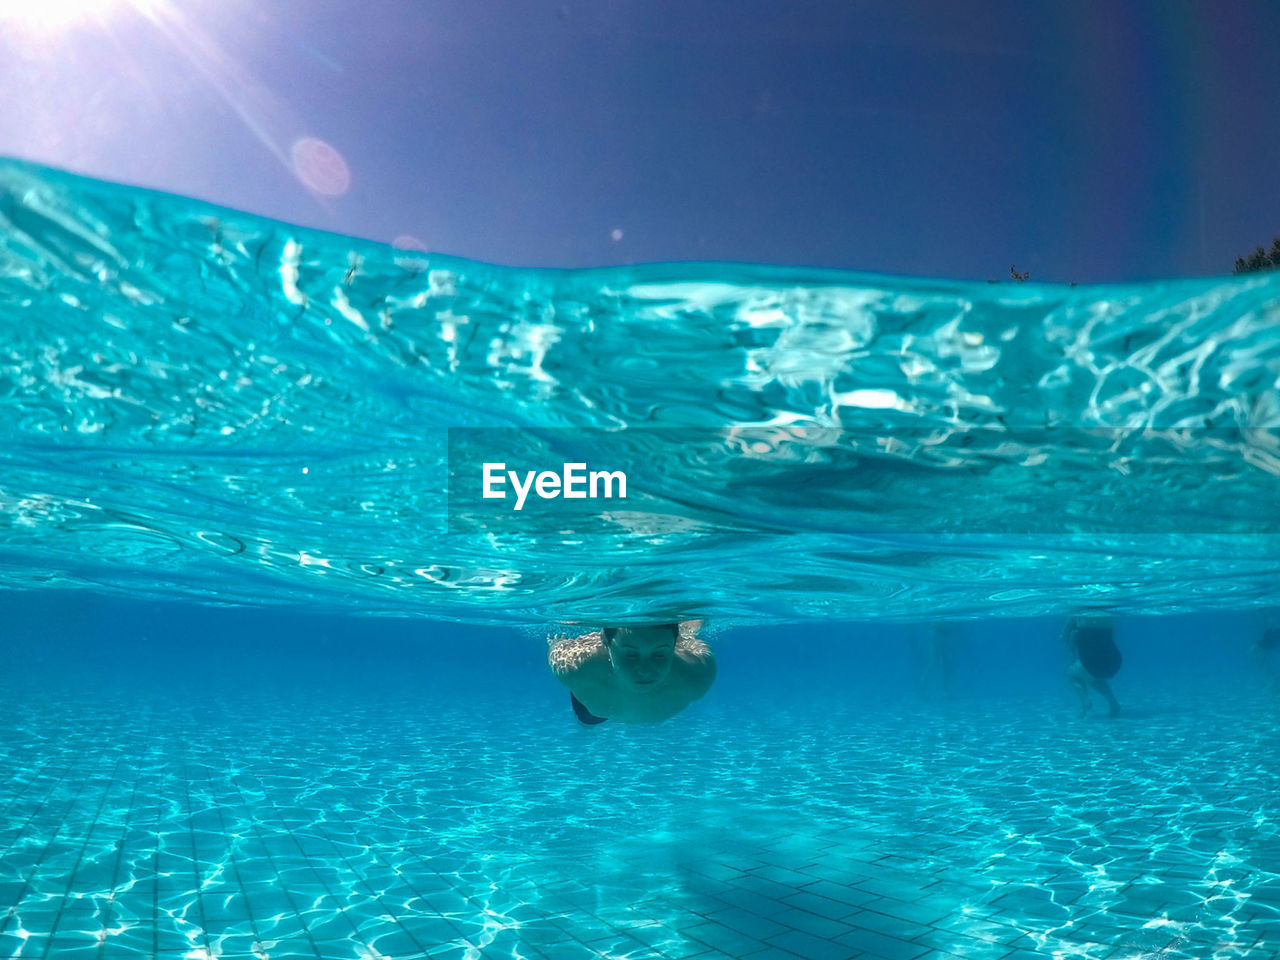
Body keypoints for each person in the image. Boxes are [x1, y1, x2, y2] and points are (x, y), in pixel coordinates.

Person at [547, 620, 715, 724]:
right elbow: (557, 649)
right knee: (587, 721)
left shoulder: (698, 674)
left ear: (674, 643)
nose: (644, 670)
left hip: (604, 698)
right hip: (595, 702)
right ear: (606, 643)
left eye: (659, 654)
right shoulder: (575, 669)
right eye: (630, 655)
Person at [1063, 614, 1122, 717]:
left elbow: (1063, 636)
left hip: (1092, 664)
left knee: (1073, 674)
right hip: (1115, 661)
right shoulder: (1108, 613)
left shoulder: (1076, 614)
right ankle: (1113, 703)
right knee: (1091, 675)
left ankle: (1085, 701)